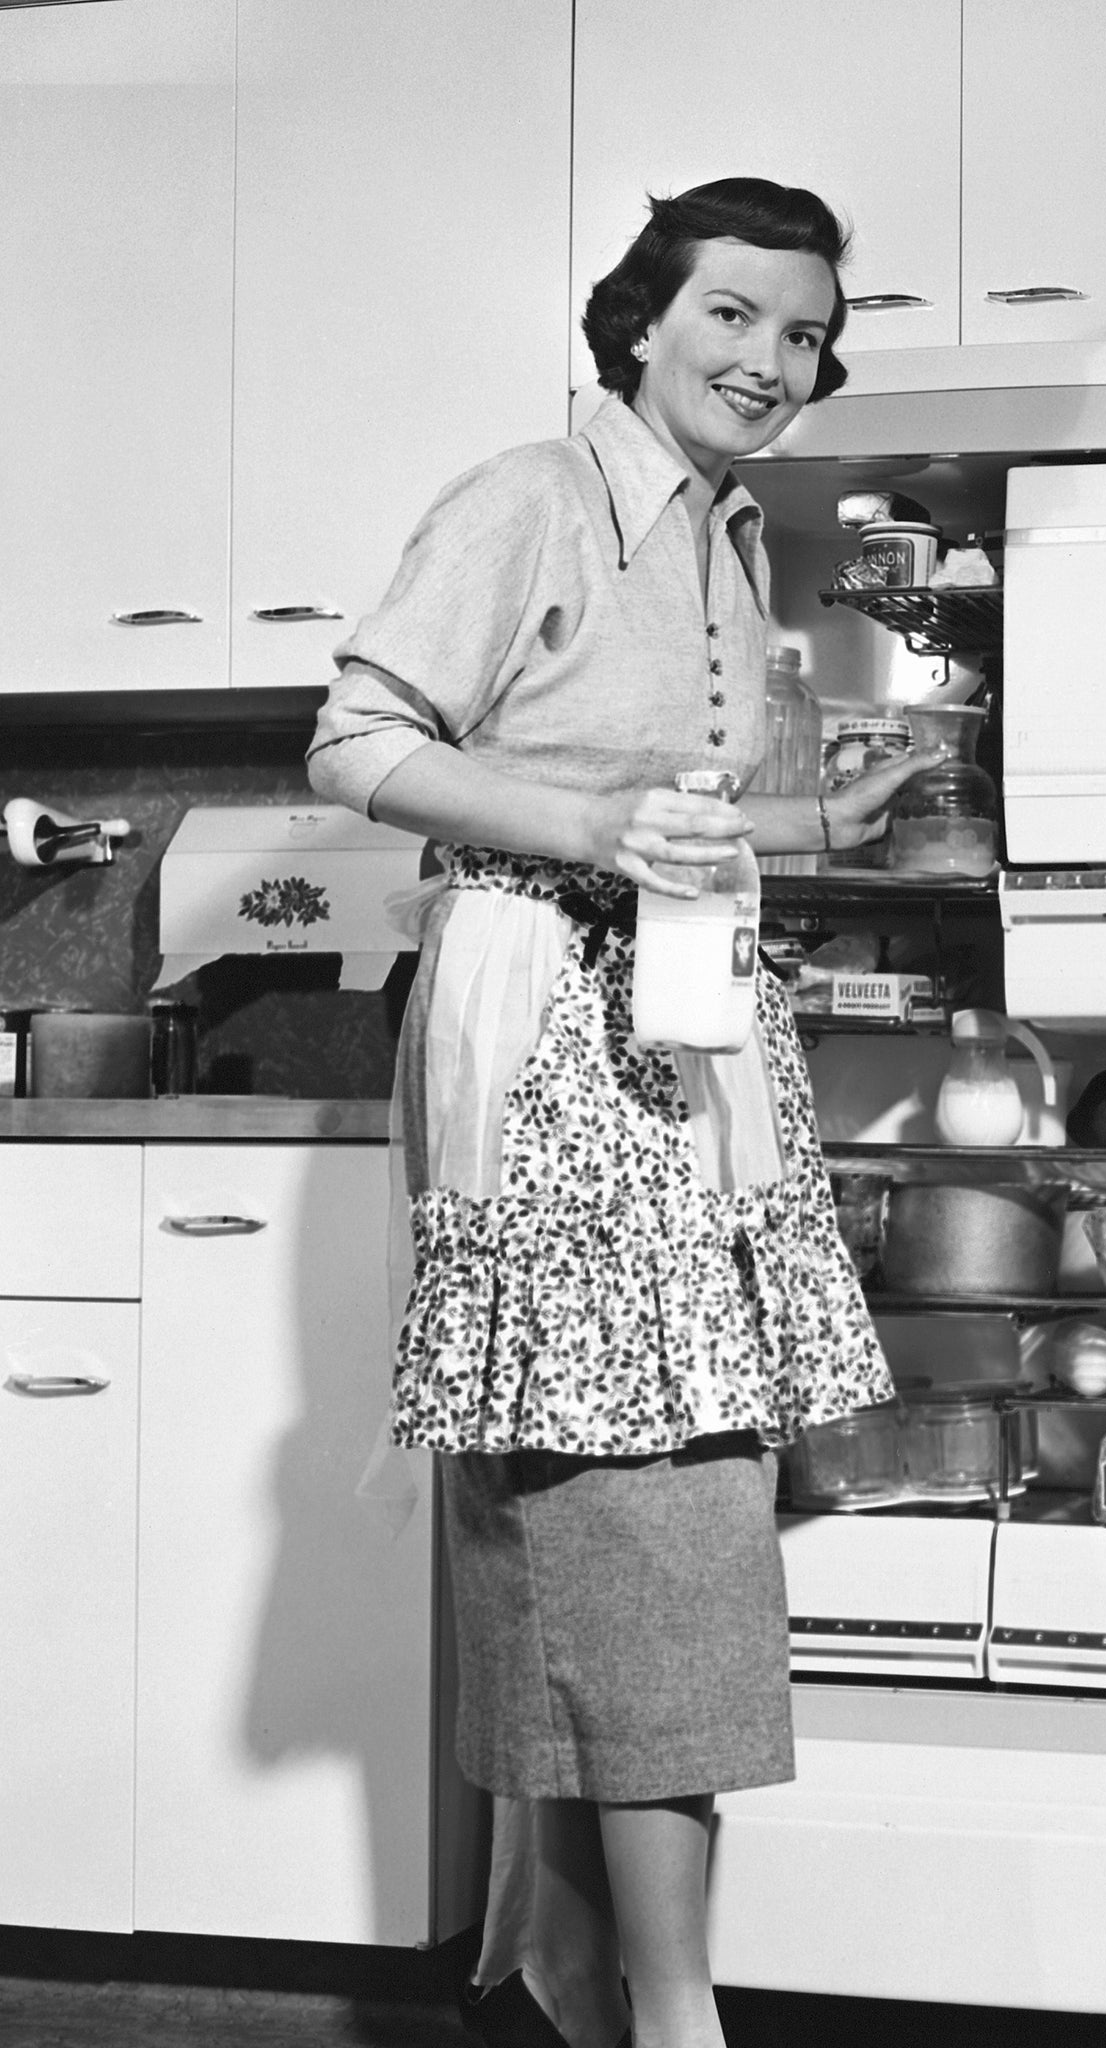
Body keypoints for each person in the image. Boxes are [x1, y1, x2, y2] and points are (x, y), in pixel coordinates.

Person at [308, 178, 927, 2048]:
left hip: (671, 1025)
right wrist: (591, 830)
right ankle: (668, 2014)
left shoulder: (728, 536)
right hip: (547, 1036)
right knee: (639, 1501)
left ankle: (577, 1967)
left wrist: (826, 824)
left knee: (640, 1492)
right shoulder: (530, 496)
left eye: (805, 332)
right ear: (643, 317)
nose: (772, 359)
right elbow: (353, 743)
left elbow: (659, 804)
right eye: (734, 314)